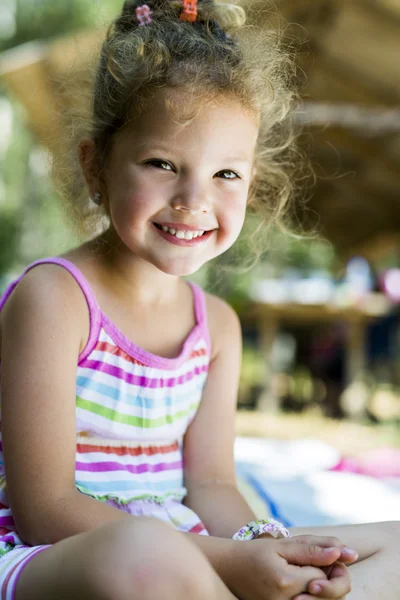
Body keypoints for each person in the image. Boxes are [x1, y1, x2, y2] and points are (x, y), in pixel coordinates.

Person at [0, 1, 398, 598]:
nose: (193, 199)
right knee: (145, 550)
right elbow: (46, 508)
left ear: (252, 185)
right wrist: (226, 563)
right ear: (97, 168)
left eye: (226, 175)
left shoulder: (217, 327)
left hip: (190, 554)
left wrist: (267, 549)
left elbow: (211, 486)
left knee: (390, 543)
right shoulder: (55, 299)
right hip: (60, 556)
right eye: (162, 163)